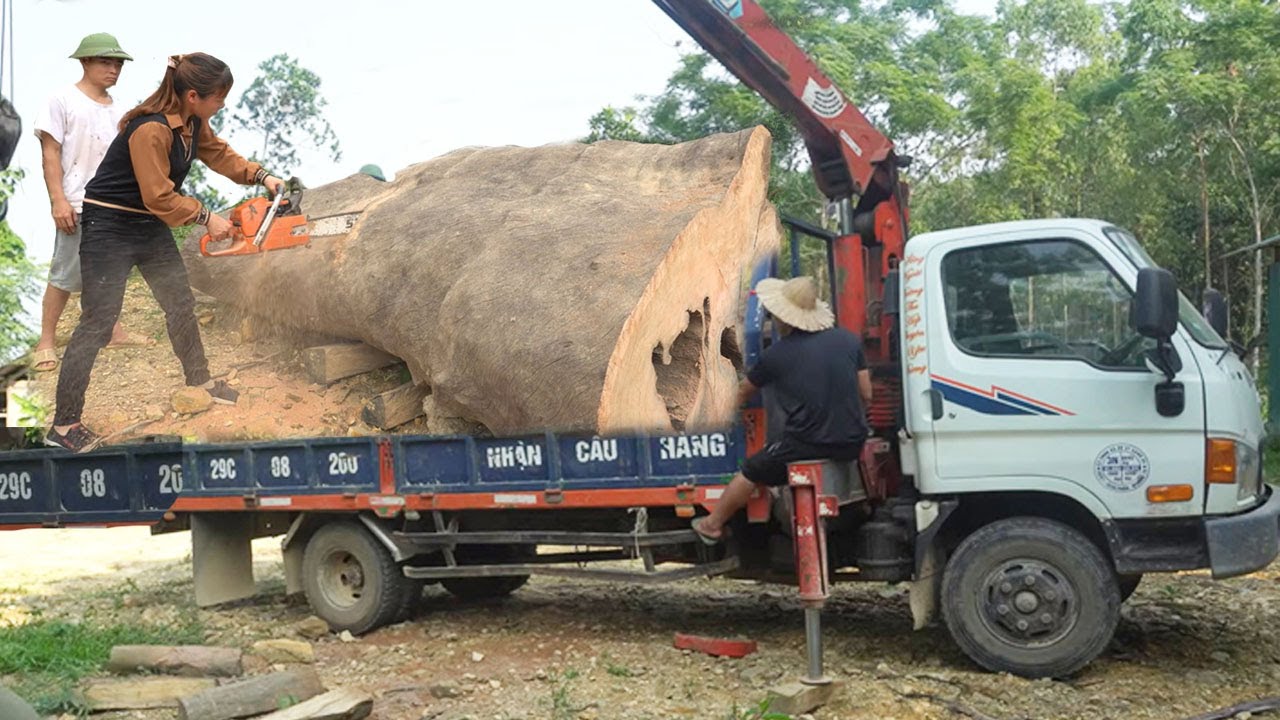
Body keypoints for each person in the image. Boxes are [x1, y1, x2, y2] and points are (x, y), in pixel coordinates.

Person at [46, 52, 284, 452]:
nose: (223, 102)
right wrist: (207, 217)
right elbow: (159, 196)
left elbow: (219, 154)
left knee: (180, 304)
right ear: (193, 95)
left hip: (147, 225)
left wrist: (262, 176)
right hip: (109, 227)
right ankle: (64, 425)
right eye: (219, 96)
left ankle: (200, 381)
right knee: (98, 322)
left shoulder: (191, 124)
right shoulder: (151, 130)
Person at [692, 276, 873, 543]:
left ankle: (712, 524)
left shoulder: (776, 355)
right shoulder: (849, 341)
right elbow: (866, 394)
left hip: (808, 445)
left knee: (752, 470)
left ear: (783, 318)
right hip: (851, 442)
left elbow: (742, 393)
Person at [31, 32, 148, 373]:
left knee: (110, 273)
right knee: (65, 273)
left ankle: (113, 331)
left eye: (117, 63)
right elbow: (50, 154)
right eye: (105, 62)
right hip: (77, 201)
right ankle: (46, 341)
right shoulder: (61, 100)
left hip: (113, 206)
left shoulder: (121, 112)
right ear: (84, 62)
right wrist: (59, 200)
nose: (113, 69)